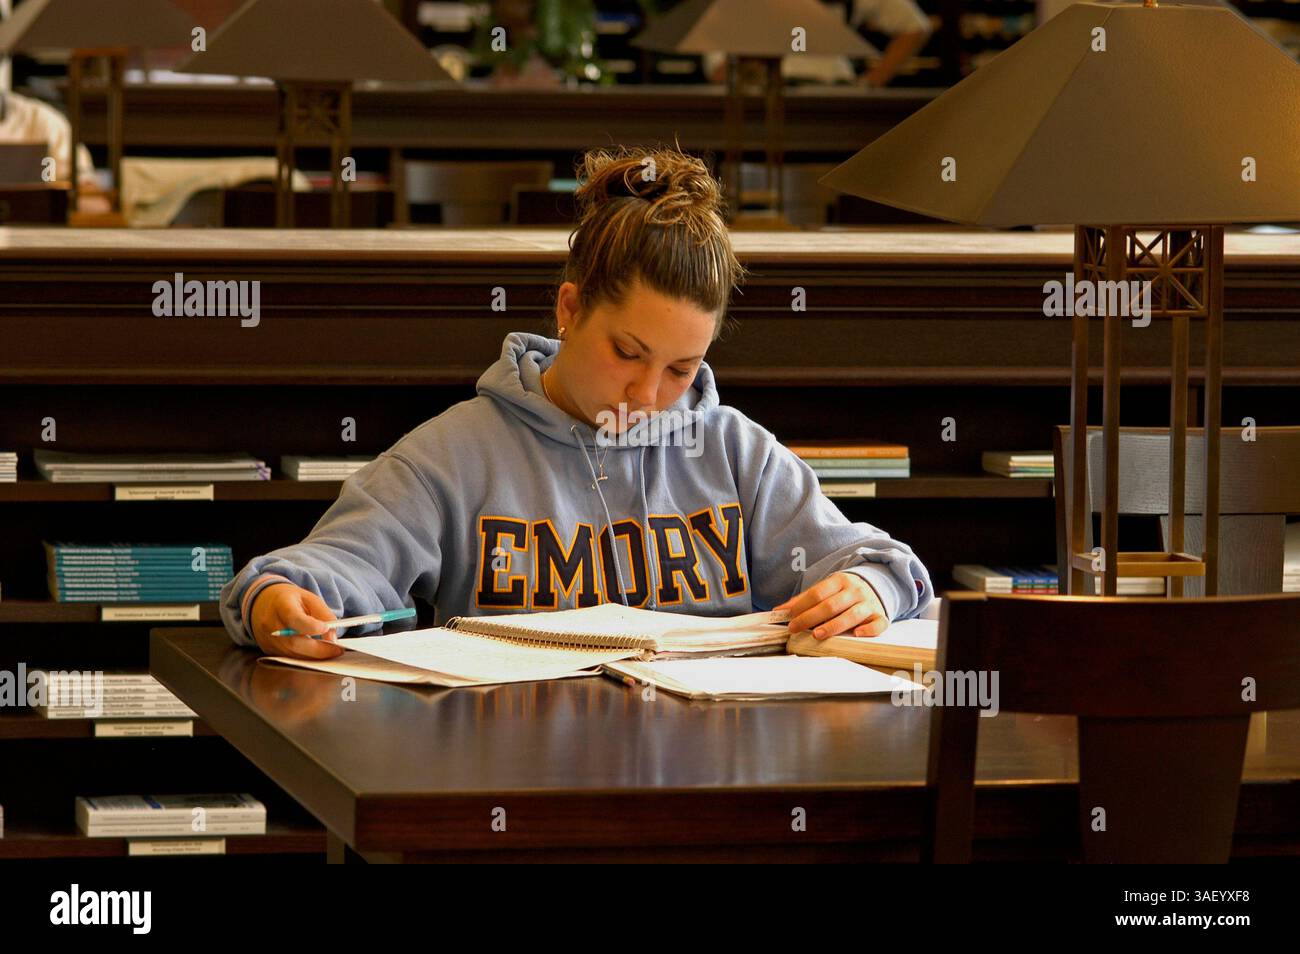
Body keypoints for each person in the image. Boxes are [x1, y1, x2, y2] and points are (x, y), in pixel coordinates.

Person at [220, 145, 933, 661]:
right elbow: (330, 570)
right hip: (517, 791)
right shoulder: (455, 455)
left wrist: (869, 588)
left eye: (683, 368)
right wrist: (274, 600)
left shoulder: (734, 452)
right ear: (569, 308)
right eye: (628, 353)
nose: (649, 396)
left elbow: (880, 561)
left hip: (714, 784)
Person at [703, 0, 932, 87]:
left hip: (833, 101)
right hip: (764, 105)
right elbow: (719, 74)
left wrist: (874, 80)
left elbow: (915, 26)